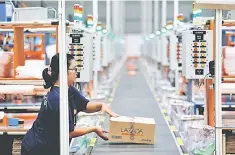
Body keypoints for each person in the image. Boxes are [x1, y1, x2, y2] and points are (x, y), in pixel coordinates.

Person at [21, 53, 118, 155]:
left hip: (43, 146)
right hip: (37, 149)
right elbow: (68, 132)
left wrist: (101, 106)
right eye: (74, 69)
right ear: (63, 71)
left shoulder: (67, 89)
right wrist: (93, 129)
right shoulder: (57, 98)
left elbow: (85, 105)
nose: (76, 72)